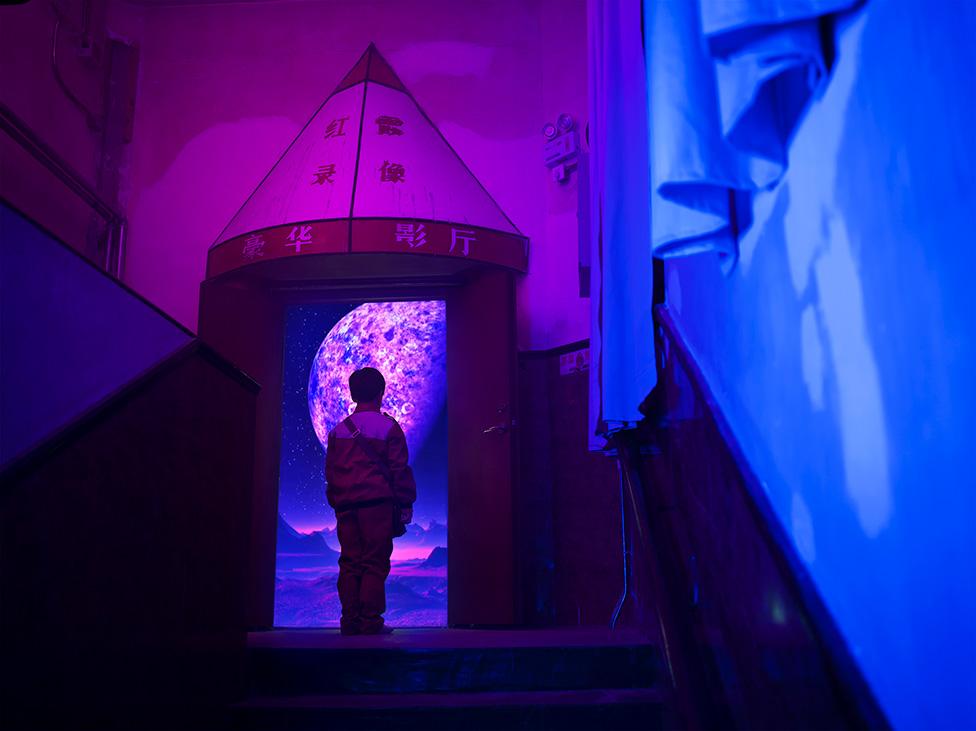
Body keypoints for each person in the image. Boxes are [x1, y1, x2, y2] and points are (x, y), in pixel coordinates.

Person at [324, 367, 416, 635]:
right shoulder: (388, 427)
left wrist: (337, 501)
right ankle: (370, 622)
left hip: (346, 507)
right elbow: (399, 469)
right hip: (377, 506)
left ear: (353, 394)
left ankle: (349, 620)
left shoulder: (337, 432)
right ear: (380, 393)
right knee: (374, 562)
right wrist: (406, 502)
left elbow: (330, 473)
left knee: (349, 560)